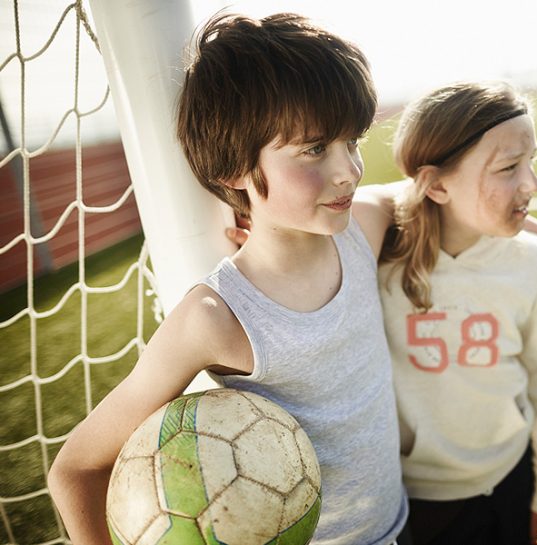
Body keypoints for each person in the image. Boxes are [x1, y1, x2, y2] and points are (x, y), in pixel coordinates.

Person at [47, 13, 410, 545]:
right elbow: (74, 471)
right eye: (314, 149)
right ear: (233, 169)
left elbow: (431, 194)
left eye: (350, 141)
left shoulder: (365, 227)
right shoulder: (215, 317)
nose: (348, 171)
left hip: (397, 523)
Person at [378, 81, 537, 545]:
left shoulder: (533, 260)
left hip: (512, 476)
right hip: (418, 500)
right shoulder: (375, 264)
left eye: (532, 161)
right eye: (509, 167)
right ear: (438, 185)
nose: (532, 183)